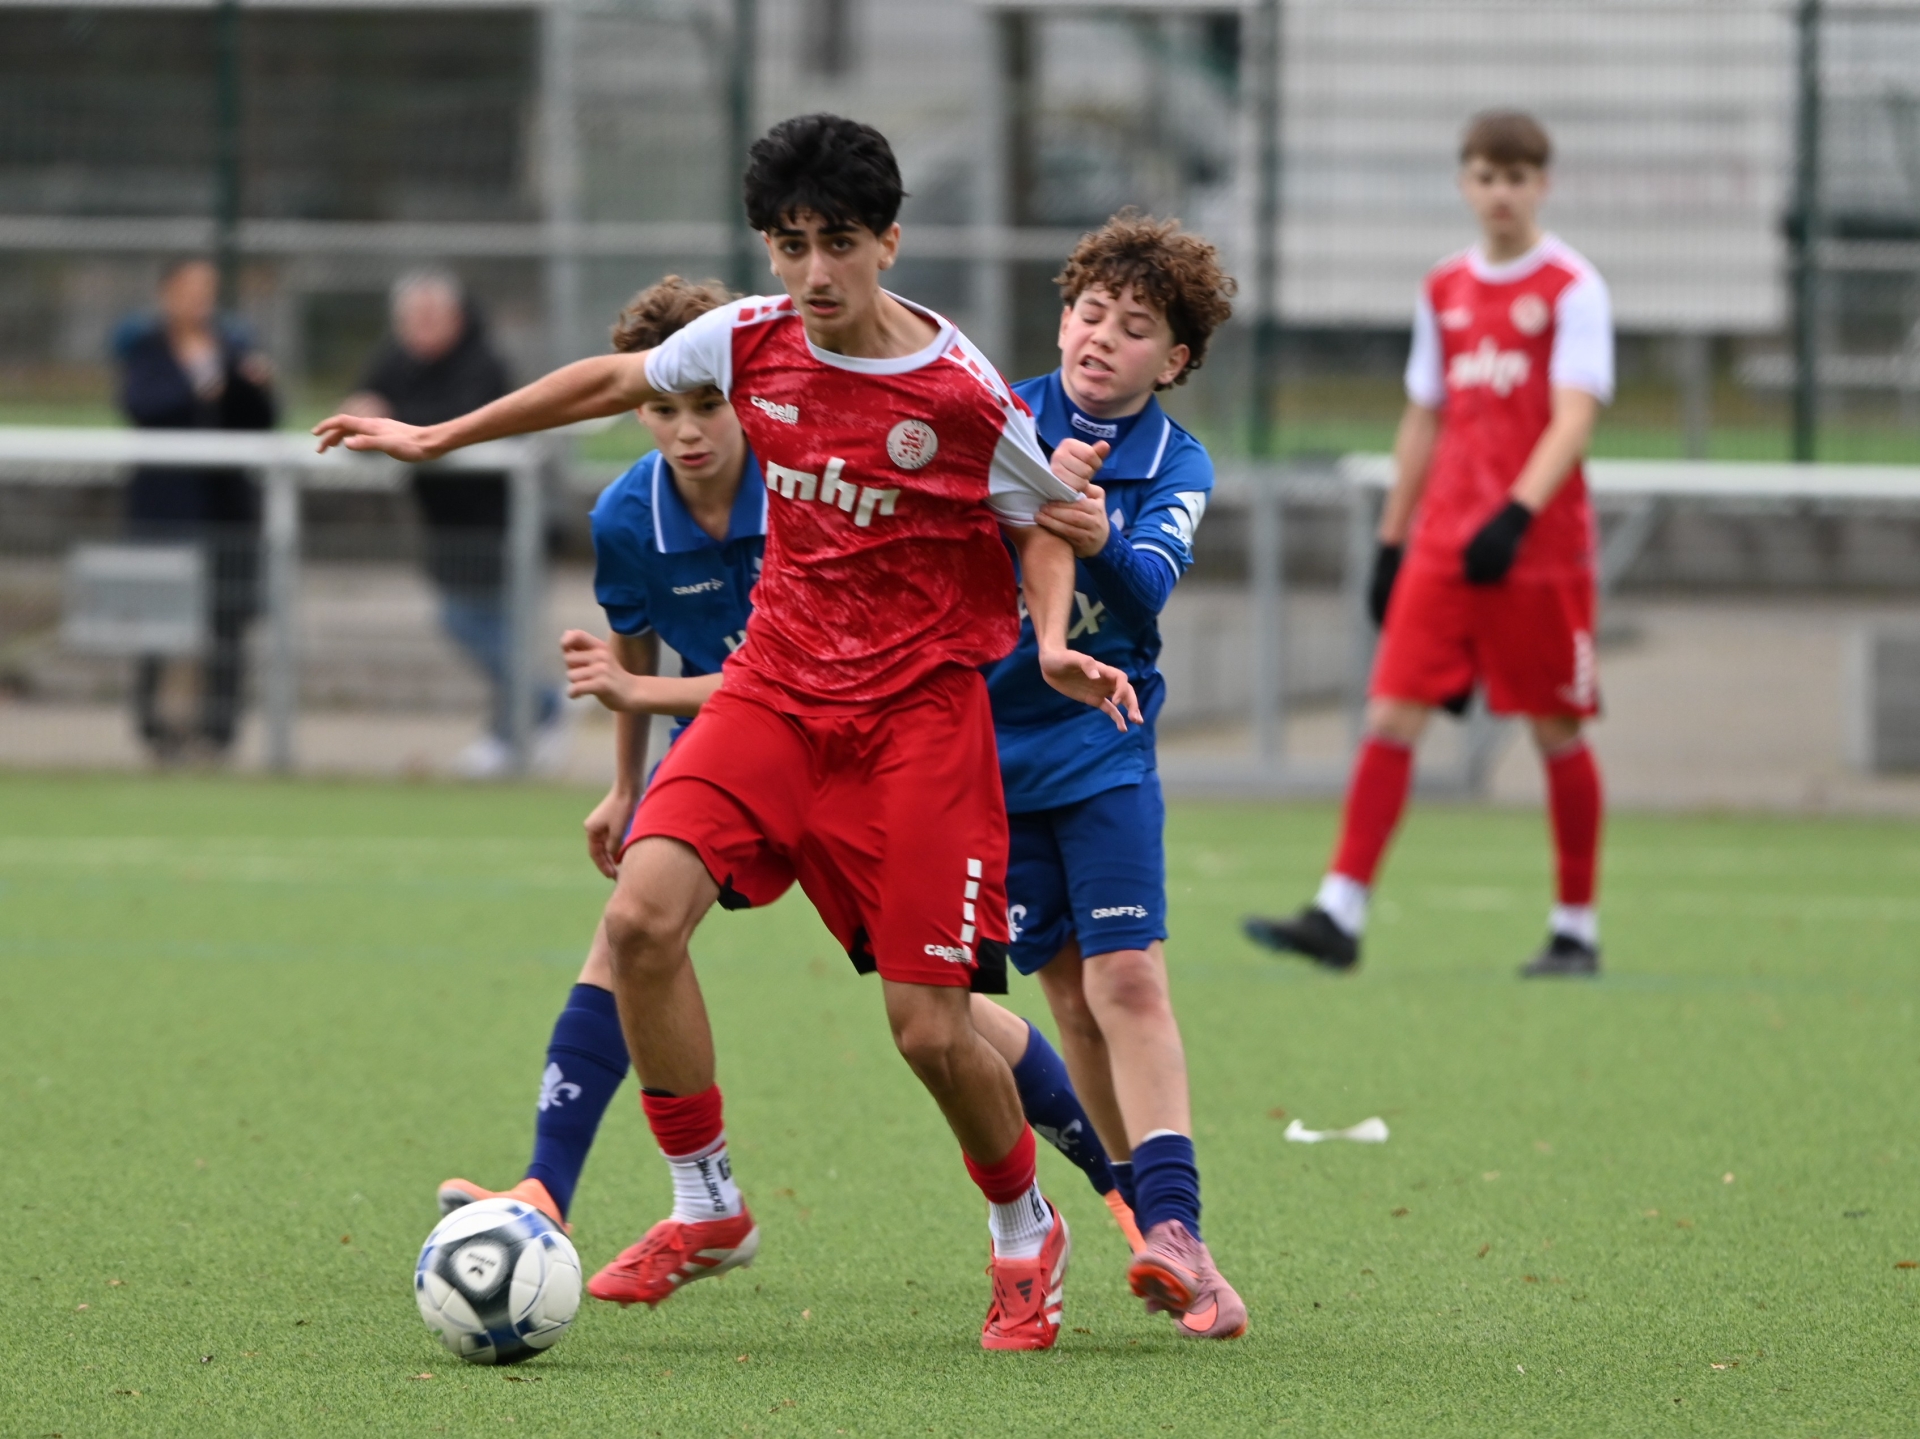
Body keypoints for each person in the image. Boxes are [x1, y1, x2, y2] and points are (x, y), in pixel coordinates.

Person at [317, 114, 1141, 1353]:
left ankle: (1025, 1224)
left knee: (930, 1027)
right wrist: (439, 436)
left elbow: (1045, 515)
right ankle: (707, 1201)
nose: (813, 271)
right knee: (639, 919)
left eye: (838, 243)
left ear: (889, 242)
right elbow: (612, 380)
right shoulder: (747, 338)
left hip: (916, 720)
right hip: (773, 690)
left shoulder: (959, 392)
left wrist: (1057, 637)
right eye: (789, 243)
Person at [437, 275, 1138, 1258]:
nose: (688, 429)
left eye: (708, 403)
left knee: (942, 1018)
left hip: (871, 747)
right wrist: (626, 782)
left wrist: (643, 693)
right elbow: (635, 644)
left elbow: (823, 648)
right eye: (664, 408)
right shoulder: (627, 515)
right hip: (752, 741)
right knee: (632, 927)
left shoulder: (810, 464)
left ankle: (1120, 1194)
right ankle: (560, 1188)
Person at [1243, 110, 1613, 979]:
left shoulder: (1571, 287)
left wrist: (1515, 514)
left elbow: (1573, 418)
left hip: (1537, 547)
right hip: (1446, 539)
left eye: (1516, 177)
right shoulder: (1444, 287)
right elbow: (1424, 416)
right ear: (1464, 183)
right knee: (1392, 712)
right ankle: (1340, 909)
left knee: (1556, 725)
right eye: (1486, 176)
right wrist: (1392, 537)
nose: (1500, 193)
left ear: (1542, 185)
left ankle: (1576, 927)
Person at [980, 212, 1247, 1339]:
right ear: (1062, 319)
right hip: (984, 753)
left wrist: (1097, 537)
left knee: (1128, 979)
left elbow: (1147, 590)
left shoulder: (1178, 464)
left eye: (1135, 328)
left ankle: (1177, 1226)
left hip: (1102, 746)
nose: (1103, 337)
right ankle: (1151, 1223)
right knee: (1066, 1000)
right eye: (1090, 313)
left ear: (1173, 360)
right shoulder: (995, 414)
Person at [343, 269, 564, 777]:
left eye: (432, 316)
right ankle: (528, 718)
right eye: (412, 318)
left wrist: (389, 416)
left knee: (490, 626)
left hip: (511, 523)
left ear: (456, 318)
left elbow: (454, 420)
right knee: (466, 621)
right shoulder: (396, 361)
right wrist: (360, 412)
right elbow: (366, 407)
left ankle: (531, 717)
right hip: (448, 528)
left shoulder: (483, 363)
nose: (421, 327)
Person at [114, 257, 277, 761]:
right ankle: (155, 727)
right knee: (157, 620)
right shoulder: (148, 349)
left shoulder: (234, 347)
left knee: (227, 620)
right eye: (189, 289)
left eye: (207, 289)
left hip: (227, 508)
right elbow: (142, 406)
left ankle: (218, 732)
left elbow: (262, 418)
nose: (199, 300)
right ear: (167, 294)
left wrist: (251, 385)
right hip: (165, 507)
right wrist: (198, 384)